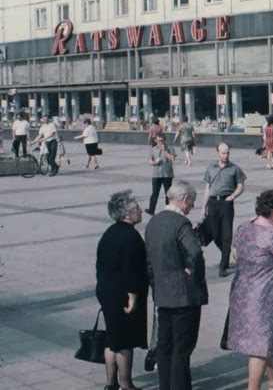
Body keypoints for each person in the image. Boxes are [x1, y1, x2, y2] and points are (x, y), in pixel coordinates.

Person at [226, 189, 273, 390]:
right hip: (264, 297)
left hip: (242, 292)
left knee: (262, 339)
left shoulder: (244, 227)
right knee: (260, 346)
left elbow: (236, 253)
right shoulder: (272, 236)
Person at [144, 181, 207, 390]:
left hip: (163, 295)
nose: (191, 207)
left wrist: (157, 285)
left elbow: (149, 262)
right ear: (184, 199)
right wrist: (191, 273)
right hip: (184, 296)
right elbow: (195, 252)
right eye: (192, 202)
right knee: (182, 348)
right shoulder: (181, 223)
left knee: (165, 347)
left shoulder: (153, 222)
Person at [96, 191, 147, 390]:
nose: (140, 212)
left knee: (112, 338)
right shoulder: (131, 237)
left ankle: (111, 383)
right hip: (123, 294)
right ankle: (126, 384)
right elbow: (132, 270)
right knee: (125, 340)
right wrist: (133, 296)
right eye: (137, 209)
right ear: (127, 214)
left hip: (106, 290)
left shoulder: (109, 232)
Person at [201, 143, 247, 277]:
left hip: (226, 204)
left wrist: (232, 196)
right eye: (223, 153)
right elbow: (207, 188)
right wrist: (204, 206)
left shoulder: (235, 169)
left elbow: (241, 186)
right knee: (215, 234)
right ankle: (226, 253)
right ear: (217, 152)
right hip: (213, 203)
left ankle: (223, 265)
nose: (225, 155)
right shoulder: (210, 168)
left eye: (227, 153)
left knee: (226, 234)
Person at [147, 134, 177, 215]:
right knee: (155, 193)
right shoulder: (153, 149)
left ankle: (168, 210)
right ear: (156, 141)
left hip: (167, 174)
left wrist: (165, 151)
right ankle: (151, 209)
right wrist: (154, 163)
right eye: (159, 141)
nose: (161, 143)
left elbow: (172, 159)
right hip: (156, 174)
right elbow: (150, 161)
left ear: (165, 140)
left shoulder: (170, 148)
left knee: (168, 193)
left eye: (162, 141)